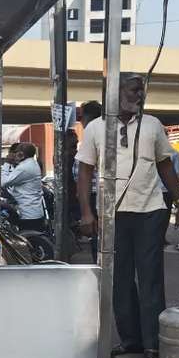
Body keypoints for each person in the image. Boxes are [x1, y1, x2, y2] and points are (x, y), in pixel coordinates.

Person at [77, 72, 179, 358]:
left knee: (151, 279)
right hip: (113, 215)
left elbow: (165, 165)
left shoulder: (152, 125)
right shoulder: (95, 129)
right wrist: (88, 213)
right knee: (119, 281)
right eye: (132, 90)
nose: (138, 96)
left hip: (150, 211)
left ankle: (153, 347)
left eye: (141, 92)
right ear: (113, 94)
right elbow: (85, 172)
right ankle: (132, 341)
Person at [74, 101, 103, 261]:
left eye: (80, 117)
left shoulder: (94, 131)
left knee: (97, 236)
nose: (80, 121)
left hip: (94, 195)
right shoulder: (98, 131)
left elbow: (84, 173)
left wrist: (86, 211)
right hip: (94, 195)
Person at [1, 142, 46, 231]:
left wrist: (7, 163)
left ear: (21, 154)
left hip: (29, 215)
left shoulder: (24, 168)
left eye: (16, 153)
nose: (13, 156)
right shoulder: (30, 164)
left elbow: (3, 182)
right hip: (32, 212)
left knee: (28, 242)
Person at [160, 145, 179, 243]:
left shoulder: (147, 150)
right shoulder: (173, 152)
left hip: (152, 190)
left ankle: (157, 237)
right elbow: (178, 173)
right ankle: (161, 237)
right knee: (165, 215)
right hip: (166, 190)